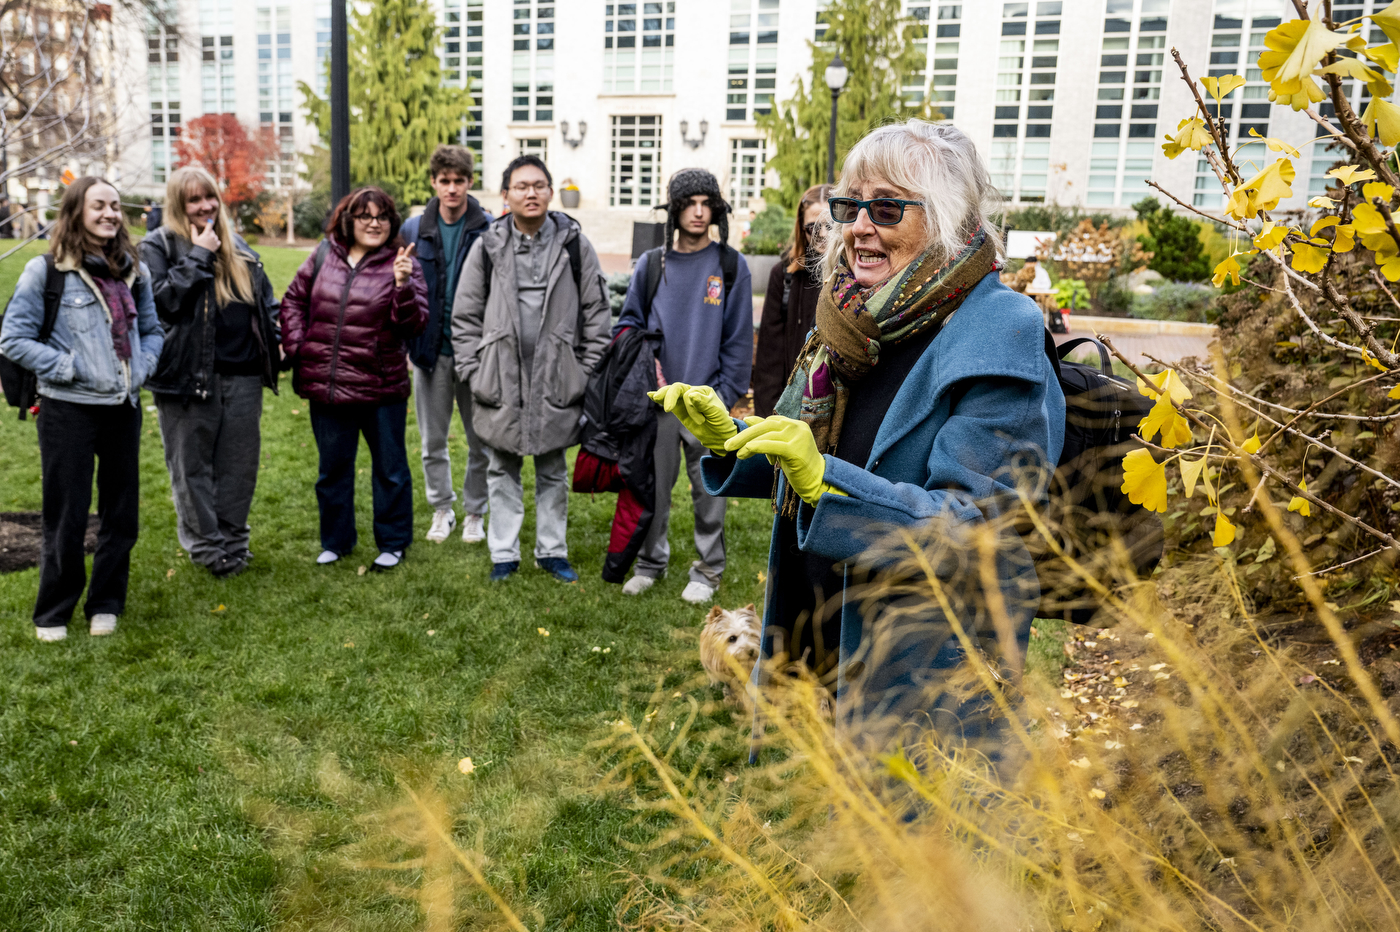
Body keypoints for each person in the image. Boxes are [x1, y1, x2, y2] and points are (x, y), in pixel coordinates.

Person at [652, 119, 1066, 755]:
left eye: (887, 207)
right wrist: (733, 440)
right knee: (814, 834)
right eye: (850, 206)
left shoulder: (999, 329)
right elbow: (802, 448)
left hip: (917, 661)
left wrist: (828, 483)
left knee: (903, 839)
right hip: (819, 632)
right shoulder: (850, 318)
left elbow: (977, 528)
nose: (858, 227)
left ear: (950, 218)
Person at [0, 177, 164, 641]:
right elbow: (13, 338)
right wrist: (67, 367)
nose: (110, 213)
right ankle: (54, 610)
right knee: (67, 513)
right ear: (76, 211)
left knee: (121, 513)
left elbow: (152, 331)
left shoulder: (134, 270)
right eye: (99, 206)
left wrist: (144, 365)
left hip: (122, 406)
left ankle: (106, 604)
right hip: (67, 409)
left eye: (115, 206)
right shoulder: (46, 271)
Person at [452, 154, 610, 583]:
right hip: (499, 378)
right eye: (521, 186)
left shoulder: (574, 245)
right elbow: (464, 316)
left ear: (550, 192)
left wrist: (584, 370)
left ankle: (551, 551)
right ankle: (503, 553)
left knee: (552, 470)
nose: (531, 193)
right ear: (505, 195)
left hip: (557, 378)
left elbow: (597, 314)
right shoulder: (486, 246)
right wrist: (472, 369)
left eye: (539, 185)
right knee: (500, 469)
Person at [613, 169, 753, 604]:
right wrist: (646, 370)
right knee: (652, 486)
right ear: (674, 209)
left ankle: (707, 570)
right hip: (656, 404)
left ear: (716, 208)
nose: (697, 211)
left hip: (709, 403)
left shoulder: (731, 265)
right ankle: (650, 563)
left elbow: (738, 340)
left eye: (706, 203)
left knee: (709, 488)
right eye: (688, 203)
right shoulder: (651, 264)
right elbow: (627, 324)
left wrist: (724, 395)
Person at [139, 165, 281, 579]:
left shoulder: (236, 245)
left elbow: (265, 302)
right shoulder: (158, 246)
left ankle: (235, 542)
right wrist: (199, 254)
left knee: (239, 467)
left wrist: (275, 339)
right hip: (186, 377)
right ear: (178, 204)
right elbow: (161, 303)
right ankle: (207, 547)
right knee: (191, 468)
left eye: (209, 197)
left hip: (244, 375)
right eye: (193, 199)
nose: (205, 206)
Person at [279, 187, 428, 571]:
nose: (374, 223)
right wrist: (299, 346)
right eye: (365, 216)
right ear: (350, 220)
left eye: (381, 216)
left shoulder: (403, 261)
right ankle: (336, 541)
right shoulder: (325, 254)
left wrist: (402, 285)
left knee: (390, 470)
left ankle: (393, 542)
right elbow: (293, 300)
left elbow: (413, 323)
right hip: (328, 386)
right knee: (332, 470)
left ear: (392, 222)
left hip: (380, 386)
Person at [399, 145, 492, 545]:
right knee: (432, 440)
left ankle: (474, 513)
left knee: (480, 441)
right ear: (434, 182)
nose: (452, 188)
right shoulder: (413, 228)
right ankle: (442, 509)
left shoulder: (488, 227)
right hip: (429, 349)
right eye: (444, 181)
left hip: (476, 353)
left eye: (459, 181)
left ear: (470, 182)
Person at [752, 183, 831, 417]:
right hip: (791, 411)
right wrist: (769, 419)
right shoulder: (785, 275)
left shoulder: (860, 275)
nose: (823, 234)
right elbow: (769, 361)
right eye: (813, 227)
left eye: (831, 225)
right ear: (801, 228)